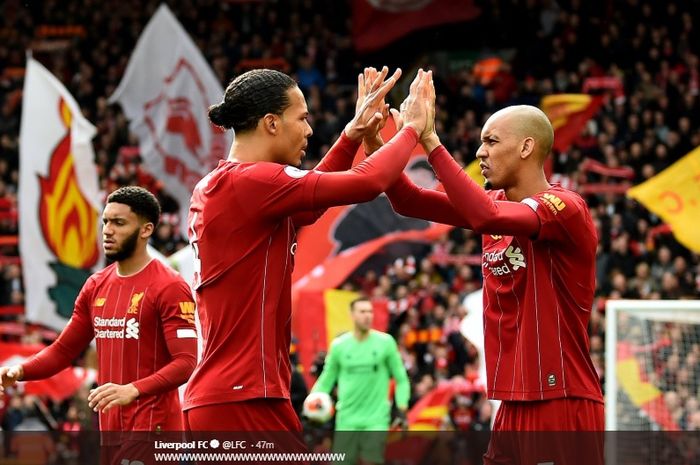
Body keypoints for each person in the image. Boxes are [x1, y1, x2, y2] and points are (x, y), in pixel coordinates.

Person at [366, 75, 603, 461]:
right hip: (513, 400)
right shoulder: (492, 202)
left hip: (560, 397)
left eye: (491, 141)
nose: (480, 152)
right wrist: (376, 144)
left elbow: (483, 215)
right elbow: (408, 202)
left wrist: (431, 141)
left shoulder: (565, 208)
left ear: (527, 147)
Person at [183, 67, 433, 432]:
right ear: (271, 123)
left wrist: (351, 136)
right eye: (302, 118)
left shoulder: (232, 184)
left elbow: (310, 207)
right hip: (240, 398)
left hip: (242, 393)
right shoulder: (251, 181)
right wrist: (412, 127)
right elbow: (369, 182)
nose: (309, 130)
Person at [0, 186, 198, 463]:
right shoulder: (96, 285)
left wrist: (134, 389)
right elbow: (62, 350)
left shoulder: (170, 286)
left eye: (119, 223)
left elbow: (186, 361)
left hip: (155, 431)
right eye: (105, 221)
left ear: (146, 230)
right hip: (111, 432)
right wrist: (20, 370)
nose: (107, 230)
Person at [309, 297, 410, 465]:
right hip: (347, 418)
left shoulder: (385, 343)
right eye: (362, 311)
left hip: (376, 419)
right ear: (352, 315)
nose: (368, 316)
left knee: (372, 461)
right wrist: (312, 402)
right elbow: (326, 380)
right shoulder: (339, 346)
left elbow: (401, 380)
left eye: (370, 311)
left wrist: (402, 408)